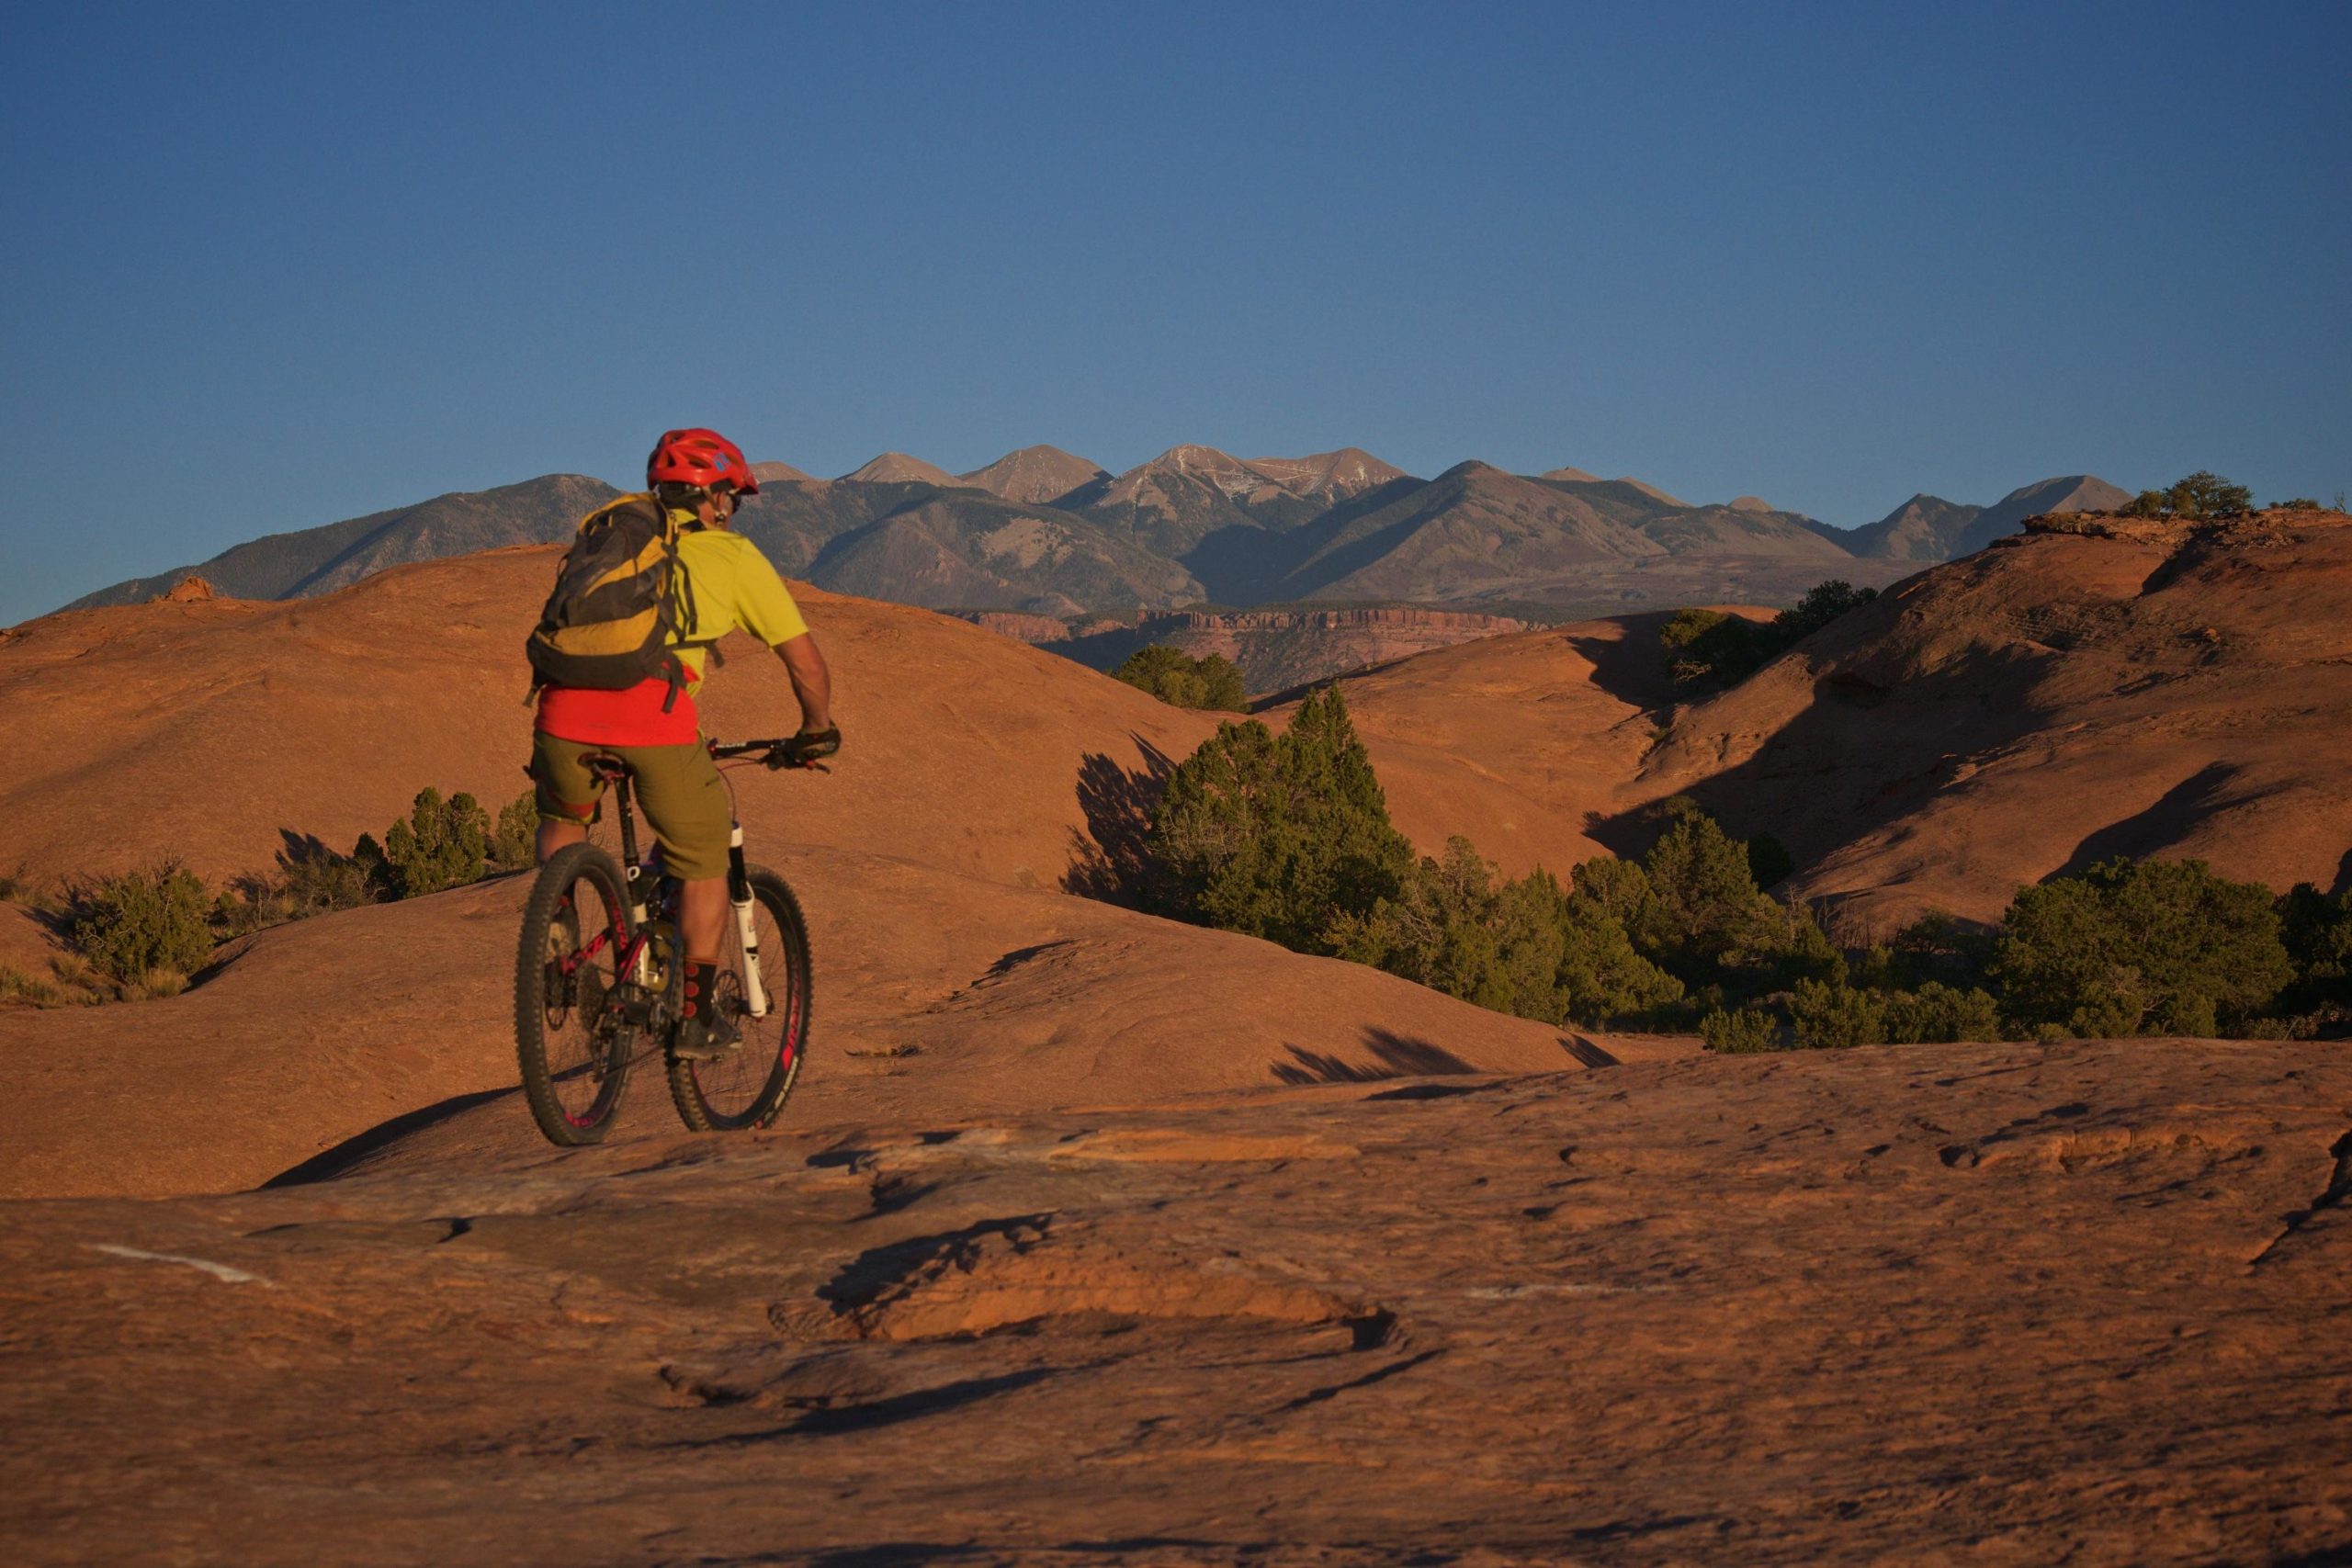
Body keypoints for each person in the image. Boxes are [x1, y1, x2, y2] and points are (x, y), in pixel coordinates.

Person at [530, 427, 838, 1057]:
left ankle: (556, 946)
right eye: (732, 499)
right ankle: (695, 1018)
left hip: (561, 707)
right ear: (715, 499)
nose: (731, 511)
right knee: (703, 853)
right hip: (652, 716)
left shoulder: (612, 535)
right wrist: (816, 729)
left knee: (563, 814)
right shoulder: (732, 556)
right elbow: (805, 665)